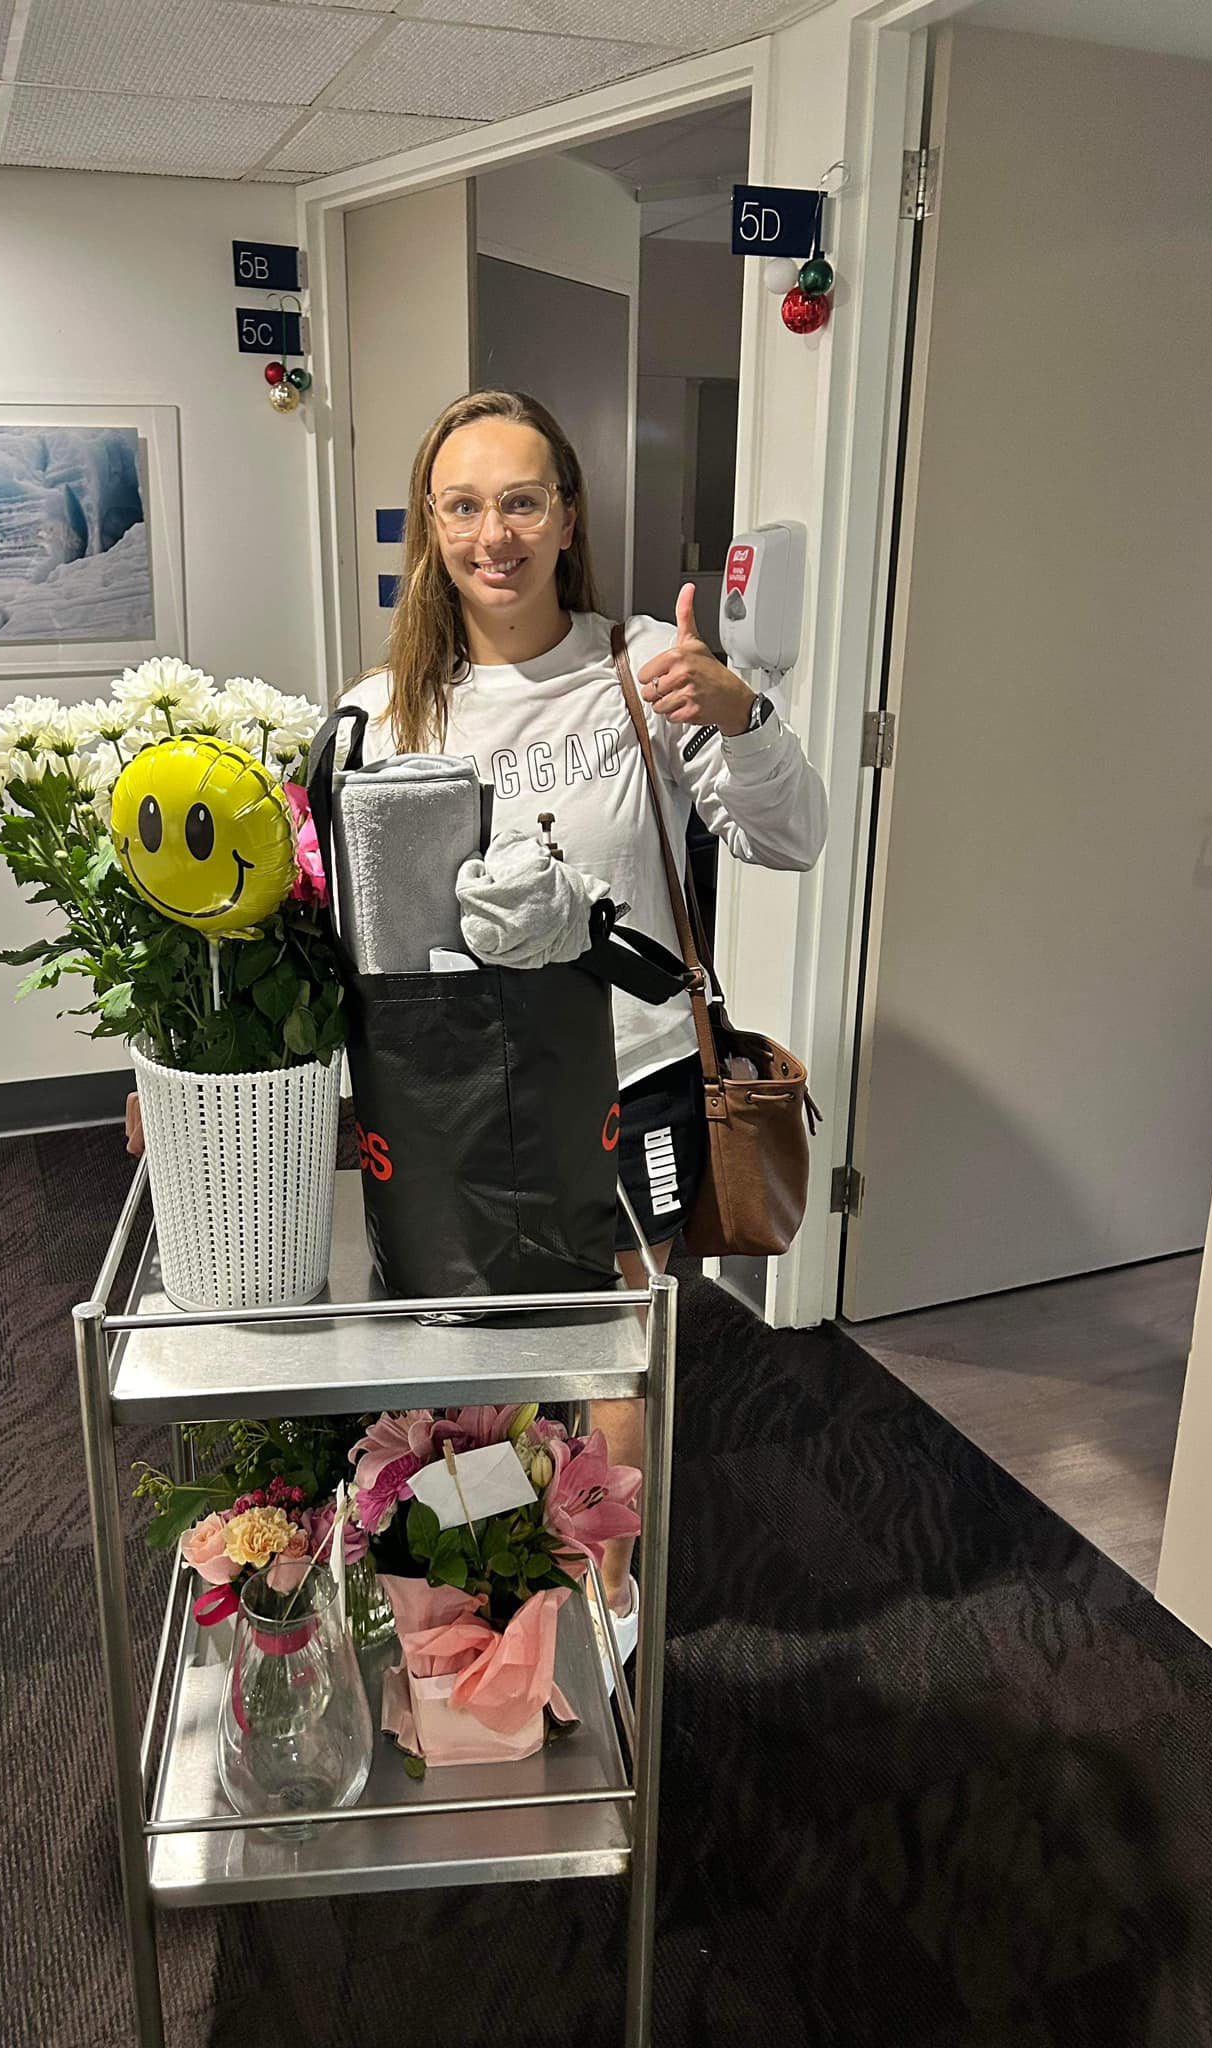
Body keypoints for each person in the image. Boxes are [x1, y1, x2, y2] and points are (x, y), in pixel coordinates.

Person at [341, 388, 828, 1649]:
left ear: (566, 516)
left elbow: (792, 834)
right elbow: (337, 927)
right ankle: (486, 1599)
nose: (491, 533)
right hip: (453, 1106)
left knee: (613, 1356)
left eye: (520, 501)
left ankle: (610, 1604)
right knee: (471, 1365)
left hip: (635, 1077)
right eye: (462, 504)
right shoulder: (380, 712)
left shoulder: (643, 675)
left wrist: (740, 713)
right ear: (430, 528)